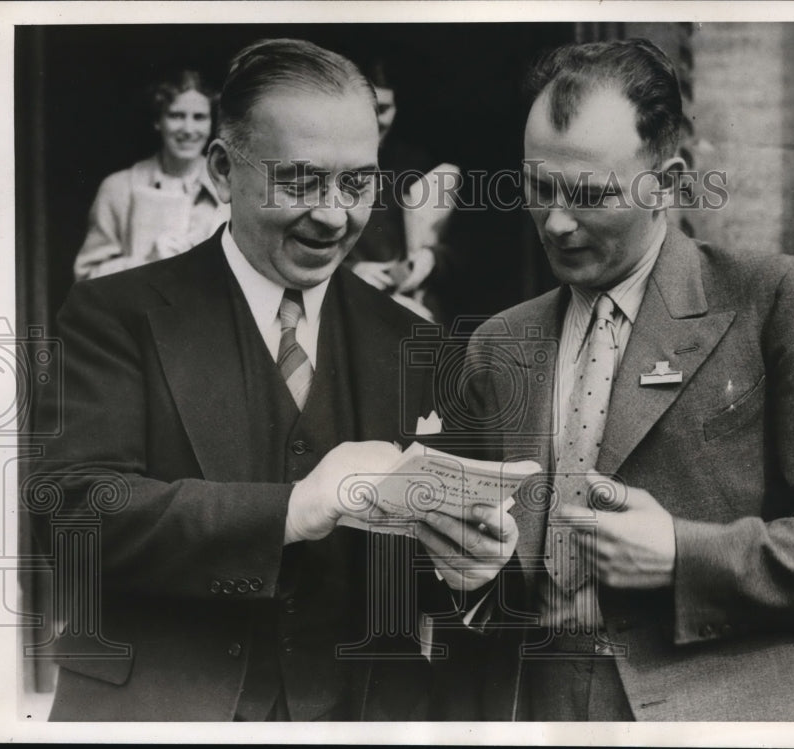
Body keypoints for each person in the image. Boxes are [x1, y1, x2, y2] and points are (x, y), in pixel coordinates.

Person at [433, 38, 794, 722]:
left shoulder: (774, 299)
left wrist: (685, 557)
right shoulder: (498, 345)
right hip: (537, 712)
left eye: (590, 195)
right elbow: (471, 576)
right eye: (537, 189)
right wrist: (464, 570)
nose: (556, 222)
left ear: (668, 181)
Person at [30, 38, 514, 721]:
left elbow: (442, 599)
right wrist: (293, 508)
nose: (334, 214)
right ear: (224, 171)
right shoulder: (116, 314)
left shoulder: (416, 344)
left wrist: (471, 571)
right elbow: (74, 514)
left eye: (357, 182)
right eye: (301, 179)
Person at [73, 70, 229, 281]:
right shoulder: (119, 188)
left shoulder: (230, 187)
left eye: (199, 117)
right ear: (158, 121)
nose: (188, 128)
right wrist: (148, 261)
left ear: (211, 124)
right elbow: (86, 280)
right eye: (176, 116)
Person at [343, 57, 458, 323]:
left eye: (383, 109)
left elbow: (465, 248)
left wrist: (431, 259)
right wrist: (351, 271)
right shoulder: (327, 167)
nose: (375, 120)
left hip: (414, 308)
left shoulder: (418, 164)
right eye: (366, 109)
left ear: (396, 108)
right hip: (351, 308)